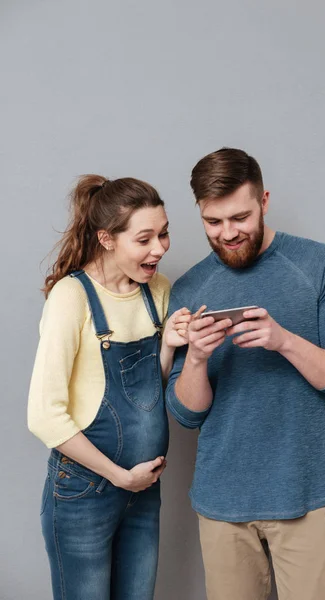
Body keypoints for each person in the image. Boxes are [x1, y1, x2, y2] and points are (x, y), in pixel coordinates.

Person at [166, 148, 325, 600]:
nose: (228, 233)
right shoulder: (188, 288)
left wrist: (284, 341)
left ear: (264, 200)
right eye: (212, 222)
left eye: (239, 217)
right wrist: (197, 358)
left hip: (307, 496)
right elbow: (185, 415)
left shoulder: (319, 264)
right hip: (222, 505)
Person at [28, 175, 191, 600]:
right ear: (107, 239)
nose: (159, 248)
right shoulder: (71, 297)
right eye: (145, 238)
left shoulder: (158, 291)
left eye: (164, 233)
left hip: (143, 491)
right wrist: (121, 477)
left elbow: (144, 397)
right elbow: (44, 416)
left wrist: (169, 347)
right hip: (85, 491)